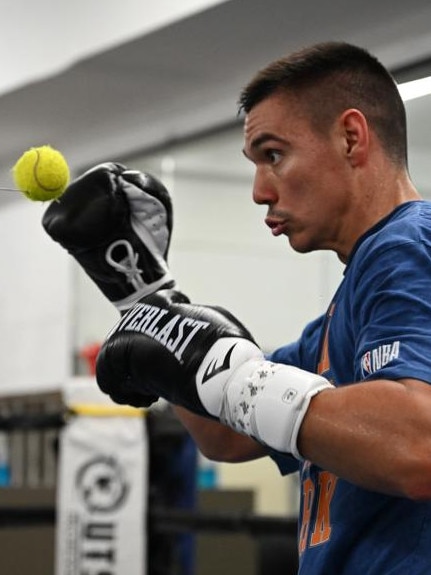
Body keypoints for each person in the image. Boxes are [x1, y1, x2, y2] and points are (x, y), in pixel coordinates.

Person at [44, 42, 431, 574]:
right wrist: (146, 296)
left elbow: (417, 445)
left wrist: (230, 377)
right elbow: (228, 435)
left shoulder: (406, 244)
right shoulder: (345, 310)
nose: (258, 192)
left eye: (274, 154)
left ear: (351, 137)